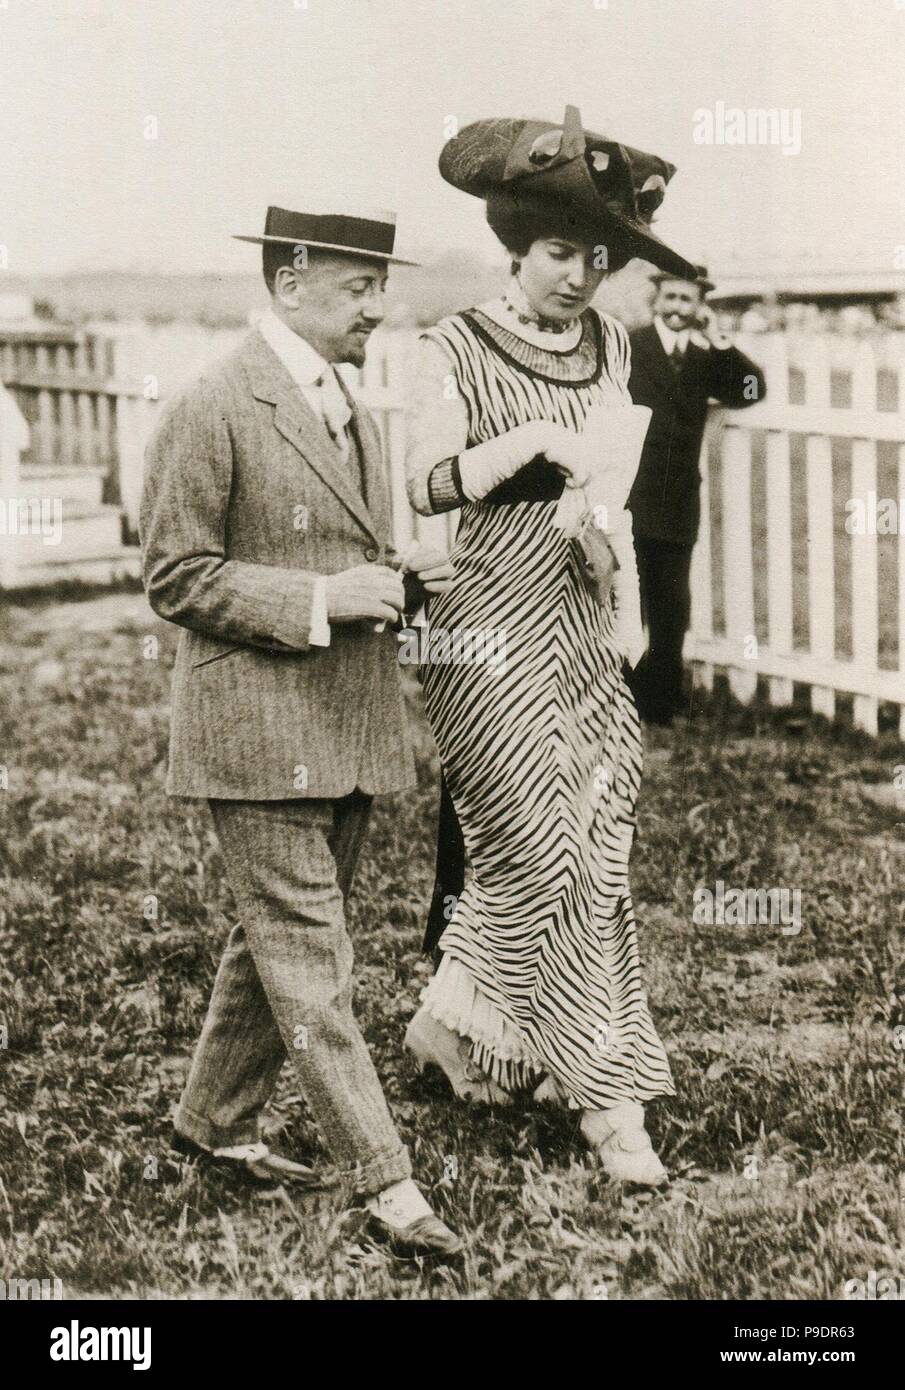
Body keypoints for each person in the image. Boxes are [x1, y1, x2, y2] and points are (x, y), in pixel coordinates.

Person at [139, 201, 462, 1258]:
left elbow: (344, 551)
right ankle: (388, 1183)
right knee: (312, 963)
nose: (381, 305)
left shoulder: (350, 407)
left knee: (267, 942)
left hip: (344, 727)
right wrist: (324, 598)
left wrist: (396, 574)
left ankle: (211, 1125)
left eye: (381, 284)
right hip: (252, 733)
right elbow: (176, 576)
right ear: (288, 281)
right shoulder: (212, 402)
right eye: (358, 286)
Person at [402, 106, 700, 1187]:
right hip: (480, 629)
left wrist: (611, 555)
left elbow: (606, 479)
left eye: (596, 256)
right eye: (559, 253)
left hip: (577, 616)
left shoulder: (614, 341)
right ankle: (608, 1098)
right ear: (515, 250)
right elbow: (424, 483)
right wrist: (518, 447)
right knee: (541, 852)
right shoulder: (449, 347)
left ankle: (448, 1022)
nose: (579, 275)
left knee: (597, 846)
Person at [627, 270, 766, 724]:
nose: (677, 307)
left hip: (678, 499)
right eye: (670, 297)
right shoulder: (631, 346)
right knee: (626, 602)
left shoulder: (705, 359)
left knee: (671, 606)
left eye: (687, 300)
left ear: (700, 306)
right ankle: (616, 697)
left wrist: (720, 339)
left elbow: (751, 390)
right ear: (657, 299)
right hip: (628, 494)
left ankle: (659, 703)